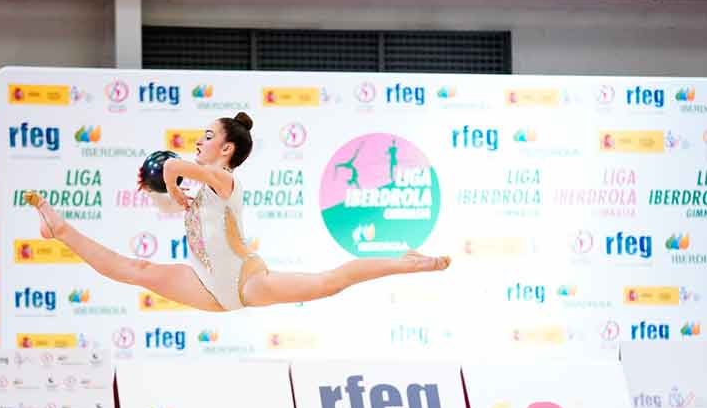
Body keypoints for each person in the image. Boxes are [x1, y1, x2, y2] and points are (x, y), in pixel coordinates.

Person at [24, 112, 450, 312]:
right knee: (133, 269)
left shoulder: (224, 179)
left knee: (328, 282)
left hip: (245, 281)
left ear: (225, 149)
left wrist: (172, 186)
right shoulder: (203, 182)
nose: (199, 141)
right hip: (206, 287)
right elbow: (173, 171)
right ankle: (61, 229)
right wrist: (171, 190)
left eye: (207, 137)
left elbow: (172, 165)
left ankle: (409, 262)